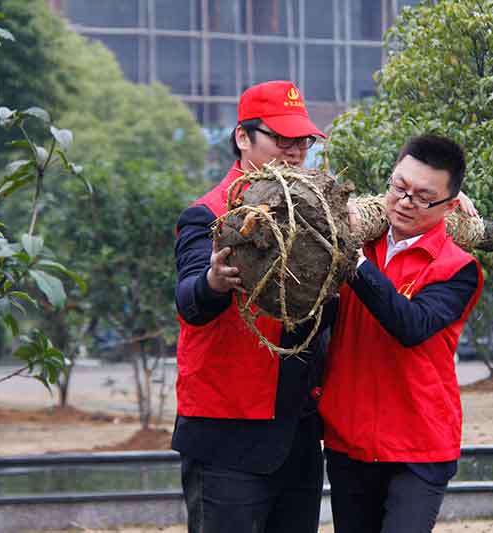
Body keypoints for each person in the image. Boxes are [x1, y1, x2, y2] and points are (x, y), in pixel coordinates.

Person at [172, 80, 327, 533]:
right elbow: (189, 303)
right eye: (282, 140)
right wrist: (212, 283)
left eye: (302, 141)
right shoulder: (208, 214)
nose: (295, 152)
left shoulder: (315, 213)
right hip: (228, 433)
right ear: (243, 137)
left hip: (297, 432)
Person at [318, 134, 484, 533]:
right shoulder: (364, 242)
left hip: (419, 448)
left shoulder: (457, 269)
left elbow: (409, 326)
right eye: (399, 187)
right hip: (349, 442)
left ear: (451, 205)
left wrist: (354, 261)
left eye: (423, 197)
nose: (405, 202)